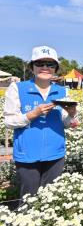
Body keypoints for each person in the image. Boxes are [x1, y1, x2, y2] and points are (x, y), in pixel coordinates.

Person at [4, 46, 78, 198]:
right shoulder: (18, 88)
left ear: (55, 69)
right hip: (27, 154)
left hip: (55, 154)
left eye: (50, 64)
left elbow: (67, 122)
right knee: (29, 198)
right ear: (32, 67)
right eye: (40, 63)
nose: (45, 67)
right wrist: (33, 114)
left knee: (49, 199)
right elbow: (9, 121)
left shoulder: (62, 91)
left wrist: (72, 115)